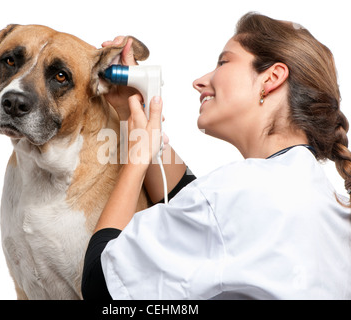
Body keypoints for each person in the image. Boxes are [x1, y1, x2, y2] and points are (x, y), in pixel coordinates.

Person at [81, 12, 351, 300]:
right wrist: (130, 112)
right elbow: (198, 215)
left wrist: (137, 160)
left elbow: (99, 285)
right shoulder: (325, 202)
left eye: (223, 62)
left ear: (272, 78)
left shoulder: (237, 191)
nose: (200, 81)